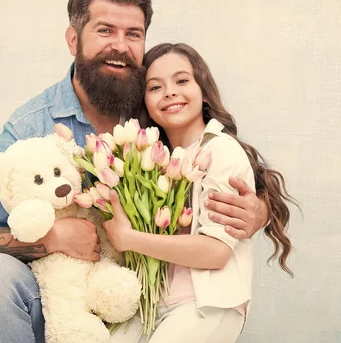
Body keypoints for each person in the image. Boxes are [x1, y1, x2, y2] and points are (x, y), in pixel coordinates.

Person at [0, 0, 268, 343]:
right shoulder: (32, 124)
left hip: (146, 299)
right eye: (105, 30)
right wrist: (53, 238)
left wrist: (257, 210)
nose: (120, 46)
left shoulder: (156, 103)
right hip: (63, 298)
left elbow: (228, 167)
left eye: (133, 34)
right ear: (74, 40)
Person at [103, 43, 297, 343]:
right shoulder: (148, 161)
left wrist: (129, 239)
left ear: (204, 91)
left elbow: (216, 251)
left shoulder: (220, 150)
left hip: (206, 304)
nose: (169, 92)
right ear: (145, 102)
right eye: (155, 87)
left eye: (182, 81)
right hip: (149, 305)